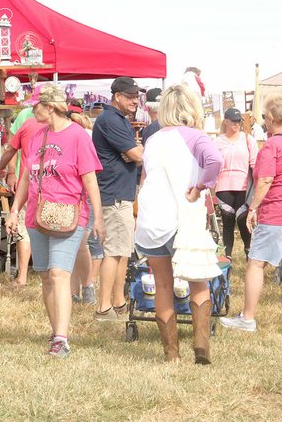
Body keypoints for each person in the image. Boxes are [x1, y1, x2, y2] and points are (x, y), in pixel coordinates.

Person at [5, 84, 104, 358]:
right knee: (46, 276)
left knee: (60, 273)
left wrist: (98, 216)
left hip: (69, 215)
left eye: (35, 105)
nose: (31, 109)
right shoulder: (37, 136)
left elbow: (89, 179)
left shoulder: (78, 137)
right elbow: (26, 176)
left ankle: (62, 338)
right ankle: (55, 332)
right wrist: (14, 210)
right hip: (38, 216)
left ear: (49, 107)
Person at [135, 85, 223, 364]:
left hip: (152, 220)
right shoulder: (195, 136)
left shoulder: (152, 140)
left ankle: (171, 354)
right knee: (198, 282)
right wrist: (200, 187)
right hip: (183, 219)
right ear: (191, 108)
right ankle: (200, 348)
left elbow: (145, 179)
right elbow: (215, 160)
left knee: (162, 285)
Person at [220, 94, 282, 334]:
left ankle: (247, 318)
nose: (264, 122)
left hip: (280, 213)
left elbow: (264, 180)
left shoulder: (273, 145)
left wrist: (252, 208)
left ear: (273, 119)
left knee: (255, 264)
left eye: (265, 117)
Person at [91, 76, 143, 321]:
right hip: (113, 194)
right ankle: (104, 308)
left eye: (136, 96)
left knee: (122, 251)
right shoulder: (111, 119)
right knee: (113, 252)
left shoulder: (118, 119)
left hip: (119, 193)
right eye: (131, 96)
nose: (135, 100)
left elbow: (133, 154)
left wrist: (131, 154)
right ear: (117, 97)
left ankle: (119, 302)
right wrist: (131, 153)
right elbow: (137, 154)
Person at [0, 85, 45, 286]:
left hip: (28, 184)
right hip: (52, 186)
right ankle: (47, 276)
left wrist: (1, 169)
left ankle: (23, 276)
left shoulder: (26, 119)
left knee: (24, 229)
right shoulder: (64, 123)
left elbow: (10, 149)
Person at [214, 108, 258, 259]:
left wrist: (258, 186)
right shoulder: (217, 142)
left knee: (242, 218)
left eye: (239, 121)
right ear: (225, 121)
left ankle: (248, 250)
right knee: (227, 220)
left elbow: (255, 164)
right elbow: (212, 164)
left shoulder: (248, 139)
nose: (236, 124)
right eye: (233, 121)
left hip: (243, 186)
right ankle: (227, 256)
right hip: (223, 186)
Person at [68, 106, 97, 305]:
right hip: (71, 194)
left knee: (79, 244)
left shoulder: (86, 135)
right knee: (73, 246)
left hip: (84, 194)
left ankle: (87, 286)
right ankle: (72, 291)